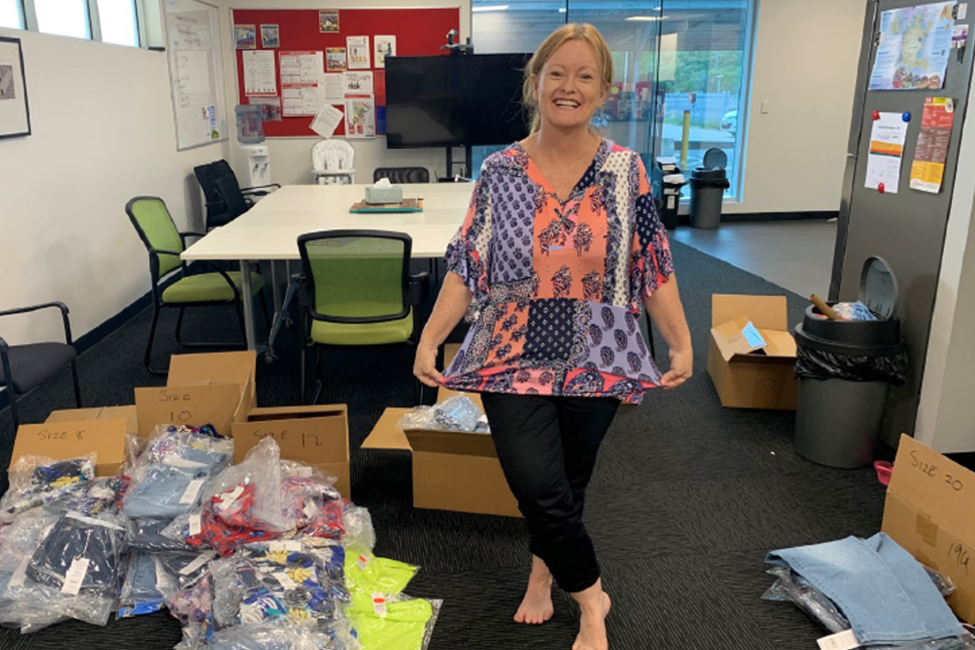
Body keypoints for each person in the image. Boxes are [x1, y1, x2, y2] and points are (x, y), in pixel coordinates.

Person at [414, 23, 692, 650]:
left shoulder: (625, 171)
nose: (570, 86)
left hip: (600, 348)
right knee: (536, 482)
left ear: (603, 90)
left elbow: (651, 262)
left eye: (585, 75)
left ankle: (543, 577)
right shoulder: (500, 171)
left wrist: (679, 340)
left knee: (568, 482)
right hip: (510, 346)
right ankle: (592, 596)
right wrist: (431, 339)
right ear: (535, 82)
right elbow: (467, 263)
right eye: (557, 73)